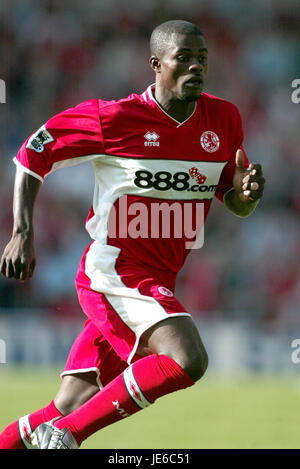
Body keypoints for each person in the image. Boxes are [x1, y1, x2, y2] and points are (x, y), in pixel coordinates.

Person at [0, 19, 265, 449]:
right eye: (184, 58)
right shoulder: (115, 118)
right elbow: (34, 151)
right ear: (156, 64)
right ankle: (68, 437)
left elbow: (232, 198)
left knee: (65, 405)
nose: (196, 67)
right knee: (188, 359)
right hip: (114, 273)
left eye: (203, 59)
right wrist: (23, 231)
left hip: (156, 280)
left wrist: (246, 196)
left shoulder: (224, 119)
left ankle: (55, 429)